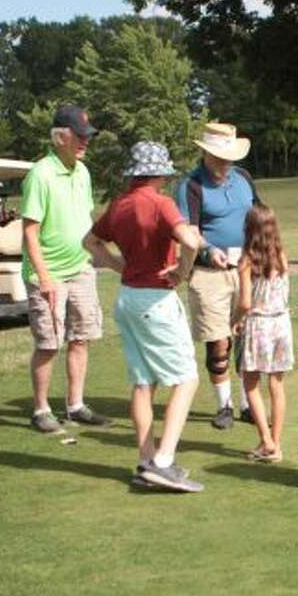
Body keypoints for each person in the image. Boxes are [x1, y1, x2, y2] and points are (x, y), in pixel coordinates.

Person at [83, 141, 208, 492]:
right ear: (160, 173)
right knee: (187, 380)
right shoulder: (160, 202)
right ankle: (163, 462)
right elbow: (191, 240)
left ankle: (145, 460)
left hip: (127, 299)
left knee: (143, 382)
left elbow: (90, 242)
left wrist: (118, 265)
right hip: (156, 301)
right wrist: (183, 271)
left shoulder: (119, 203)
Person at [21, 105, 111, 433]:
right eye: (79, 136)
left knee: (81, 337)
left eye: (87, 136)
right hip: (48, 273)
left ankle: (75, 405)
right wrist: (44, 277)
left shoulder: (83, 173)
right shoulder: (40, 174)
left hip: (80, 267)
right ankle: (41, 409)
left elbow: (86, 222)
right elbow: (30, 230)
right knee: (48, 342)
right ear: (60, 137)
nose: (85, 141)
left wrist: (103, 256)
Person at [174, 122, 259, 430]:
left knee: (248, 338)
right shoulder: (191, 185)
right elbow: (189, 232)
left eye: (229, 157)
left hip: (246, 268)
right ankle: (224, 405)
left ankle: (250, 403)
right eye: (220, 157)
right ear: (206, 153)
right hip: (210, 272)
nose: (226, 163)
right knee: (218, 339)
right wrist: (208, 250)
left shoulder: (243, 179)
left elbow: (259, 215)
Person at [234, 204, 294, 463]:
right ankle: (275, 444)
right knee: (276, 385)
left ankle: (266, 441)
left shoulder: (247, 259)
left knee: (250, 385)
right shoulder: (281, 255)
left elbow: (245, 302)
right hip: (281, 323)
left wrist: (233, 321)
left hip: (258, 325)